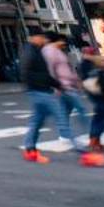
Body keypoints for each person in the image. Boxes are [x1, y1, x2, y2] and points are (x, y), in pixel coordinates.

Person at [18, 33, 82, 162]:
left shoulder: (35, 51)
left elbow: (42, 73)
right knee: (61, 118)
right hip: (40, 91)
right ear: (34, 37)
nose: (44, 40)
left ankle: (30, 150)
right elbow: (30, 73)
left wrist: (56, 85)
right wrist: (53, 85)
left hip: (39, 90)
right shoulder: (31, 52)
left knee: (37, 122)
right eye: (41, 37)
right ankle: (84, 153)